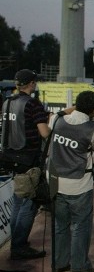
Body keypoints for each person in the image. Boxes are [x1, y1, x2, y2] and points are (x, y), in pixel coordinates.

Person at [47, 91, 94, 272]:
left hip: (56, 181)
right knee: (80, 226)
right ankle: (79, 265)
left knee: (60, 225)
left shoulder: (56, 120)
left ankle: (60, 262)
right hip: (79, 184)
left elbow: (62, 114)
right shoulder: (93, 128)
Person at [2, 69, 50, 260]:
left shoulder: (7, 102)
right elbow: (44, 132)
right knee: (29, 203)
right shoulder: (32, 103)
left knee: (18, 202)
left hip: (10, 157)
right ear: (31, 83)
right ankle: (19, 245)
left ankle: (17, 241)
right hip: (28, 158)